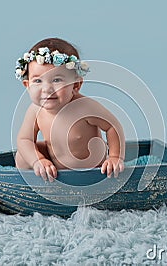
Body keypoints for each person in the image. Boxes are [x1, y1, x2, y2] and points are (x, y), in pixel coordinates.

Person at [14, 38, 125, 182]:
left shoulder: (85, 107)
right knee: (22, 155)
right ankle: (34, 182)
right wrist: (38, 160)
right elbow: (24, 139)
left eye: (56, 80)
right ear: (27, 85)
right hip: (56, 170)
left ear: (75, 85)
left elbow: (112, 126)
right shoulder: (35, 110)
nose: (46, 89)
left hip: (91, 170)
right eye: (38, 81)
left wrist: (115, 157)